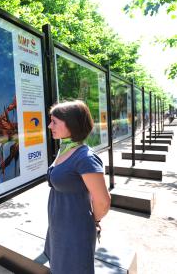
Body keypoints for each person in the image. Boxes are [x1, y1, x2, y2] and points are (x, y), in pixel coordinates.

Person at [44, 100, 111, 274]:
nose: (50, 125)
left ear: (71, 124)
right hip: (58, 227)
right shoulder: (64, 149)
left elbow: (103, 202)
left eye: (55, 122)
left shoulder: (85, 158)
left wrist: (92, 220)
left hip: (74, 231)